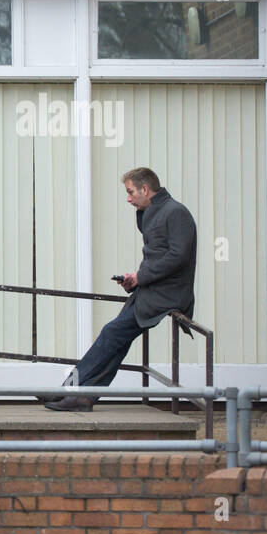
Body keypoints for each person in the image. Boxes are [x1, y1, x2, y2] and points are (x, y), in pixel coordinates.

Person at [45, 167, 197, 412]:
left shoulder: (176, 213)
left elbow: (178, 257)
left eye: (130, 192)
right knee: (115, 339)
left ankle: (72, 392)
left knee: (112, 334)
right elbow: (159, 258)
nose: (128, 198)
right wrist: (133, 279)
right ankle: (79, 395)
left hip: (166, 296)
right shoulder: (154, 211)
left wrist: (141, 277)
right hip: (150, 292)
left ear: (145, 189)